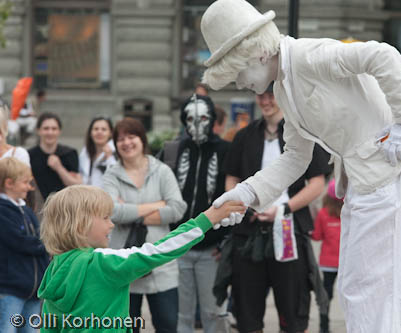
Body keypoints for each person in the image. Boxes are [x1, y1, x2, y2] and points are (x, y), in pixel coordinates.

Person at [200, 0, 401, 331]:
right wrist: (246, 193)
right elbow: (295, 156)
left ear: (258, 54)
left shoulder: (309, 56)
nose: (239, 84)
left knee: (377, 286)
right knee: (357, 286)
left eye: (237, 72)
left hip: (394, 166)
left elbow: (383, 55)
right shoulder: (284, 87)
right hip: (370, 175)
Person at [37, 185, 246, 333]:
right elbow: (160, 250)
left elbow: (48, 326)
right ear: (80, 224)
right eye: (104, 218)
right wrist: (207, 218)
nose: (111, 225)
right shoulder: (103, 262)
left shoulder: (54, 269)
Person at [219, 85, 330, 333]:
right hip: (249, 230)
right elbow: (232, 179)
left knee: (292, 308)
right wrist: (243, 206)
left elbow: (317, 183)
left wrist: (285, 208)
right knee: (247, 309)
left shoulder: (303, 134)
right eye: (262, 96)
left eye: (272, 96)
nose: (266, 101)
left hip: (288, 228)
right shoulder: (244, 136)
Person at [101, 117, 188, 333]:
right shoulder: (111, 174)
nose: (126, 143)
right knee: (127, 327)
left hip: (160, 262)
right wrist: (157, 205)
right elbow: (111, 211)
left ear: (142, 139)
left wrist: (129, 210)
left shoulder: (162, 171)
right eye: (120, 139)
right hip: (124, 263)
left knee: (167, 324)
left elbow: (177, 209)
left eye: (132, 137)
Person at [169, 94, 231, 333]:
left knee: (213, 313)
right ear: (184, 121)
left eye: (203, 118)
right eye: (190, 118)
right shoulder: (173, 150)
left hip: (211, 249)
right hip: (179, 248)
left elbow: (236, 195)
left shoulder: (227, 150)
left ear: (212, 119)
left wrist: (226, 241)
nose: (196, 124)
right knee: (181, 314)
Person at [0, 157, 49, 333]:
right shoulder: (2, 210)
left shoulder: (27, 210)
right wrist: (46, 243)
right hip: (11, 289)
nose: (30, 187)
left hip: (33, 290)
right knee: (7, 328)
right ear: (9, 183)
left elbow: (38, 238)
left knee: (30, 330)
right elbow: (19, 241)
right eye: (26, 182)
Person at [311, 179, 342, 333]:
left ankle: (324, 326)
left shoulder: (323, 214)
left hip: (328, 263)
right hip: (345, 263)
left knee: (326, 295)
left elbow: (317, 236)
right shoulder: (349, 213)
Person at [28, 112, 81, 200]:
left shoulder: (69, 153)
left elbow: (77, 185)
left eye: (54, 128)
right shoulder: (29, 155)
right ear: (38, 130)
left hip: (63, 205)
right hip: (38, 207)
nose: (50, 132)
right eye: (46, 128)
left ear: (59, 131)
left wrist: (59, 168)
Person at [79, 116, 117, 187]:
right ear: (90, 133)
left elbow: (117, 177)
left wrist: (109, 158)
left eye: (104, 129)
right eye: (96, 129)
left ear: (110, 133)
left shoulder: (117, 152)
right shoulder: (85, 153)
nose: (99, 132)